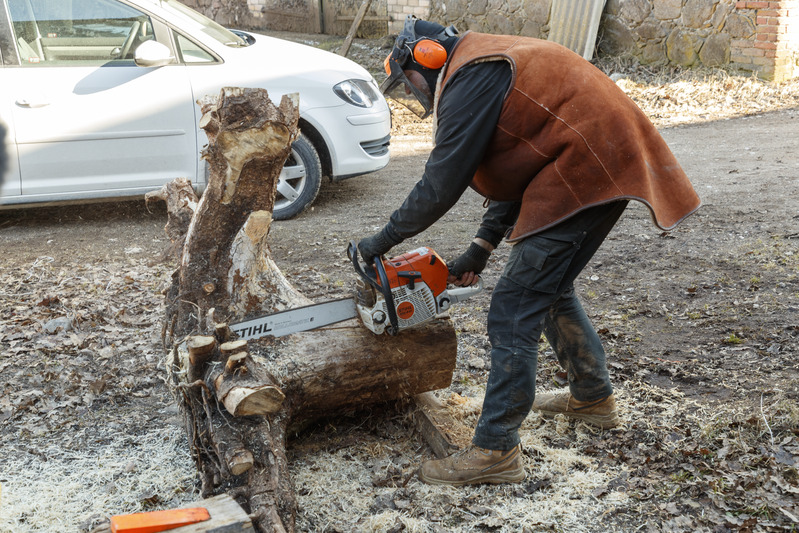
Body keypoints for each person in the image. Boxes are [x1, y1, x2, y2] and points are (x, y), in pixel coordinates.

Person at [358, 16, 701, 486]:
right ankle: (592, 396)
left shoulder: (469, 77)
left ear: (426, 58)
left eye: (409, 80)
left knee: (514, 306)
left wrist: (381, 242)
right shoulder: (480, 64)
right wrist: (480, 249)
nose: (413, 91)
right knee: (548, 290)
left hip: (588, 164)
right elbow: (522, 157)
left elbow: (441, 183)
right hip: (583, 159)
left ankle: (495, 450)